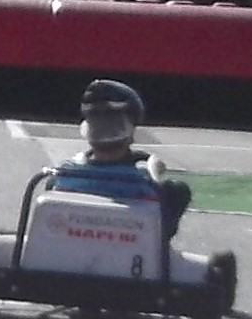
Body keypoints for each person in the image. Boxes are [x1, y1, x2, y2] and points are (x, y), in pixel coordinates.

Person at [48, 79, 192, 241]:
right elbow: (163, 235)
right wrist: (156, 177)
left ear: (87, 128)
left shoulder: (61, 180)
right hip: (136, 256)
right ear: (130, 132)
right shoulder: (154, 189)